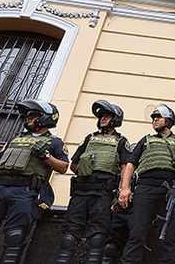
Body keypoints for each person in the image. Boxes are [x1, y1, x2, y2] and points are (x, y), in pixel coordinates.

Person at [0, 99, 69, 264]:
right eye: (28, 116)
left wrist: (46, 156)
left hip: (24, 191)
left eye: (33, 115)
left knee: (15, 237)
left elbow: (63, 167)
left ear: (46, 117)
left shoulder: (55, 142)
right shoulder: (15, 138)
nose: (28, 118)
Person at [56, 100, 131, 264]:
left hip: (103, 194)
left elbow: (125, 168)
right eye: (101, 116)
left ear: (115, 119)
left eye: (107, 116)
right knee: (69, 236)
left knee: (97, 237)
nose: (102, 119)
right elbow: (74, 164)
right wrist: (85, 168)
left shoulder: (121, 141)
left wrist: (121, 192)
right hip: (80, 191)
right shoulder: (90, 138)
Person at [117, 104, 175, 264]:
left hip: (170, 192)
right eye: (153, 118)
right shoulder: (145, 141)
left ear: (169, 120)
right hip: (145, 189)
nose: (155, 120)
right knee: (137, 233)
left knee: (169, 237)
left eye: (158, 117)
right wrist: (125, 188)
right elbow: (131, 164)